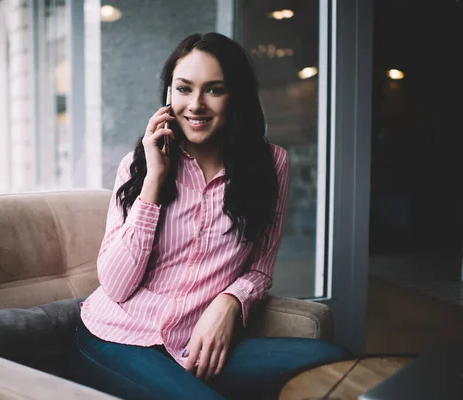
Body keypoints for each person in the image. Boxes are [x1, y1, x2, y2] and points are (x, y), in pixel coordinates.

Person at [69, 32, 350, 400]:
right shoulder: (139, 164)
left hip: (197, 344)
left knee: (334, 364)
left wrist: (230, 302)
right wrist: (154, 179)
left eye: (214, 90)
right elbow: (117, 285)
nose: (196, 105)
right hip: (117, 337)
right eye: (184, 89)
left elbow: (261, 268)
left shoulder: (271, 165)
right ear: (169, 94)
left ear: (237, 97)